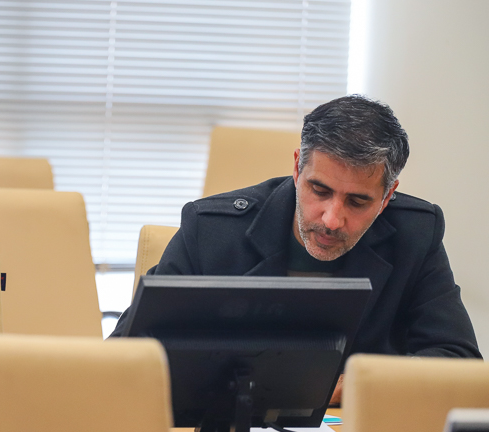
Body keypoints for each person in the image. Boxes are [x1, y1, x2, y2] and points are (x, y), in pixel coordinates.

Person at [111, 95, 481, 403]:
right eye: (320, 190)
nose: (332, 219)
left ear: (387, 197)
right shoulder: (210, 230)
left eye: (357, 201)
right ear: (297, 169)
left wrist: (351, 386)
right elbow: (121, 357)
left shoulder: (416, 234)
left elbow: (458, 361)